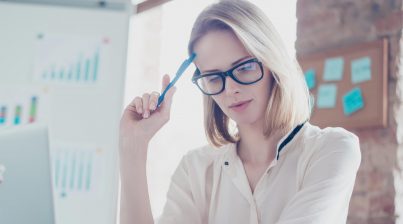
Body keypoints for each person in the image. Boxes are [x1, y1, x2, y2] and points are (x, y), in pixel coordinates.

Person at [119, 0, 361, 223]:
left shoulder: (332, 150)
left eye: (244, 67)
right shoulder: (195, 170)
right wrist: (133, 147)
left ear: (271, 64)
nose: (231, 89)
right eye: (214, 77)